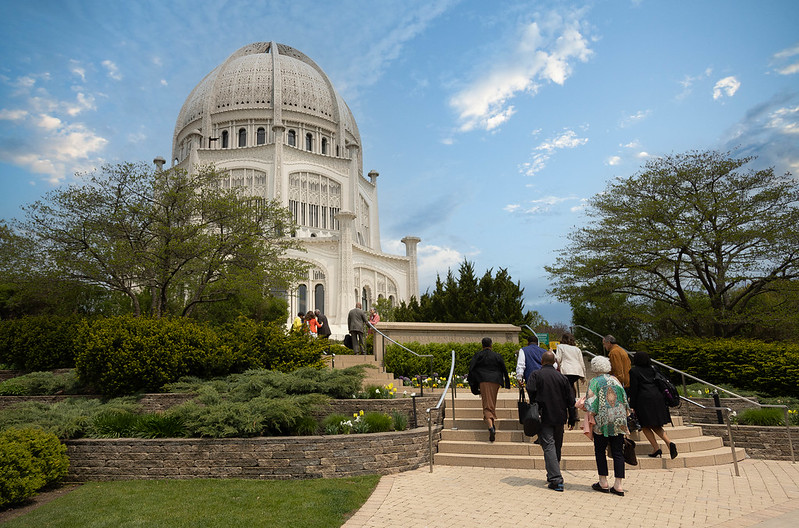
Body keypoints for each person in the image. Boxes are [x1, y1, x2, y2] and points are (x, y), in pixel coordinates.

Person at [527, 351, 576, 492]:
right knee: (557, 446)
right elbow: (570, 400)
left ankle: (556, 479)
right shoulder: (562, 377)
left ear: (541, 362)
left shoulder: (536, 375)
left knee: (548, 446)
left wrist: (535, 401)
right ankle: (553, 473)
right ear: (554, 362)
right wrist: (572, 417)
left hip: (544, 416)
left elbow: (530, 389)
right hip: (560, 416)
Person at [582, 355, 630, 496]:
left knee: (600, 450)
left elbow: (590, 404)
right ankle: (618, 484)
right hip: (619, 419)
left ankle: (603, 481)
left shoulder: (595, 382)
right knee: (617, 452)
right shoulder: (616, 381)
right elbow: (625, 400)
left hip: (602, 421)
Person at [629, 351, 678, 459]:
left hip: (643, 399)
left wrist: (631, 405)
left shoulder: (634, 371)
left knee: (645, 425)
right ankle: (668, 443)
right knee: (656, 424)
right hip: (657, 397)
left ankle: (656, 448)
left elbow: (634, 389)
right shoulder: (654, 368)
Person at [467, 337, 510, 442]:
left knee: (487, 404)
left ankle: (490, 427)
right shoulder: (497, 355)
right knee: (491, 401)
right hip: (496, 381)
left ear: (482, 345)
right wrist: (507, 383)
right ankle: (491, 421)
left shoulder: (478, 355)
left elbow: (472, 368)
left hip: (484, 380)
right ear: (491, 345)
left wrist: (472, 383)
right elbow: (504, 368)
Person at [555, 332, 585, 424]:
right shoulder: (577, 349)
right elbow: (581, 362)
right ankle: (575, 412)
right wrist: (583, 376)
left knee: (565, 390)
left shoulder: (560, 347)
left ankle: (570, 412)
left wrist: (558, 367)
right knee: (571, 387)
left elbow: (558, 358)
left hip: (566, 371)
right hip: (576, 371)